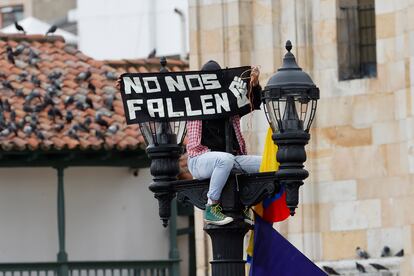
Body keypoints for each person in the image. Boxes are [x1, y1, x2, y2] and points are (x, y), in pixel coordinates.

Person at [187, 60, 262, 225]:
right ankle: (211, 207)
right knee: (225, 159)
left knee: (266, 163)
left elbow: (254, 102)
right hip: (199, 160)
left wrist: (254, 84)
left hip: (230, 159)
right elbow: (162, 98)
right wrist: (127, 90)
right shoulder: (194, 103)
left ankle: (245, 205)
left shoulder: (229, 103)